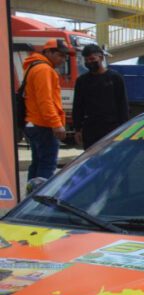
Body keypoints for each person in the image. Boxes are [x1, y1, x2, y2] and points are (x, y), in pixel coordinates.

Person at [22, 38, 70, 185]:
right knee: (47, 165)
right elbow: (45, 100)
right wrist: (56, 124)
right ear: (48, 52)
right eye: (60, 55)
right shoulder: (44, 69)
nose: (63, 60)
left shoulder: (33, 66)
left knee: (37, 163)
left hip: (33, 122)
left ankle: (31, 196)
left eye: (65, 56)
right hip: (44, 125)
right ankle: (40, 198)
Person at [73, 44, 129, 150]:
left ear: (101, 57)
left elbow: (122, 105)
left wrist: (124, 128)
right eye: (86, 60)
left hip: (111, 128)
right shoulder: (82, 81)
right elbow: (78, 106)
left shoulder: (115, 78)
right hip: (90, 129)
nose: (89, 62)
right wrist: (77, 129)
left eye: (92, 59)